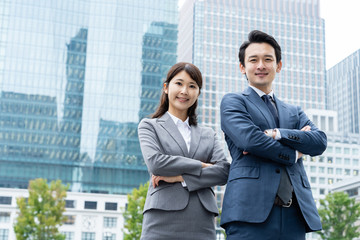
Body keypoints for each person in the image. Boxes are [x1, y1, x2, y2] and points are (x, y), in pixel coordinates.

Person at [220, 30, 327, 239]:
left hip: (294, 215)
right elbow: (250, 140)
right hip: (248, 214)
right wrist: (294, 153)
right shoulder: (233, 102)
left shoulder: (294, 111)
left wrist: (278, 134)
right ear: (242, 67)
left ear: (278, 65)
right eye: (253, 60)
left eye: (268, 59)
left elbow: (319, 142)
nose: (261, 65)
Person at [138, 62, 230, 240]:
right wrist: (201, 165)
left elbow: (223, 172)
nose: (184, 91)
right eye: (179, 83)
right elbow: (156, 163)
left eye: (192, 86)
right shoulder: (149, 126)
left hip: (202, 221)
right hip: (161, 219)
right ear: (166, 87)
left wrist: (180, 177)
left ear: (198, 93)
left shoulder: (208, 134)